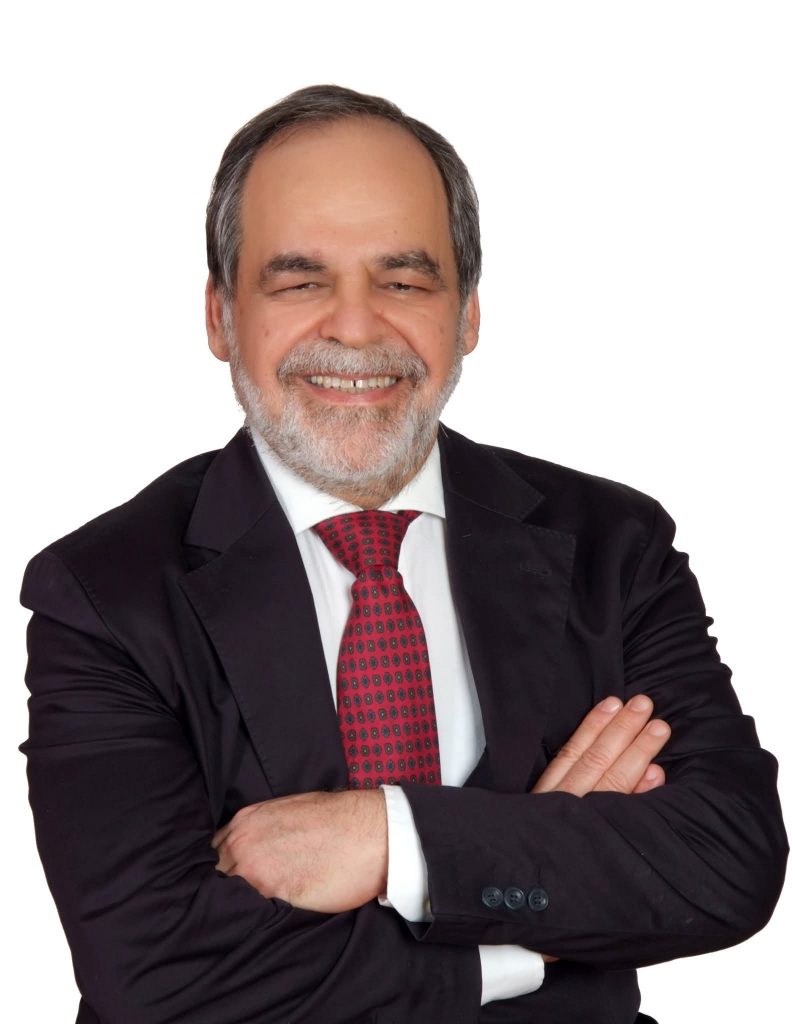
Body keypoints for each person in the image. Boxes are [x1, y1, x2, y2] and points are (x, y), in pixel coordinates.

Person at [21, 85, 787, 1024]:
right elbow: (154, 975)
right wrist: (531, 915)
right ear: (220, 317)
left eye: (404, 281)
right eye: (299, 281)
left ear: (466, 315)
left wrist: (387, 837)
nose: (354, 327)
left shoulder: (612, 545)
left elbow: (725, 860)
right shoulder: (105, 592)